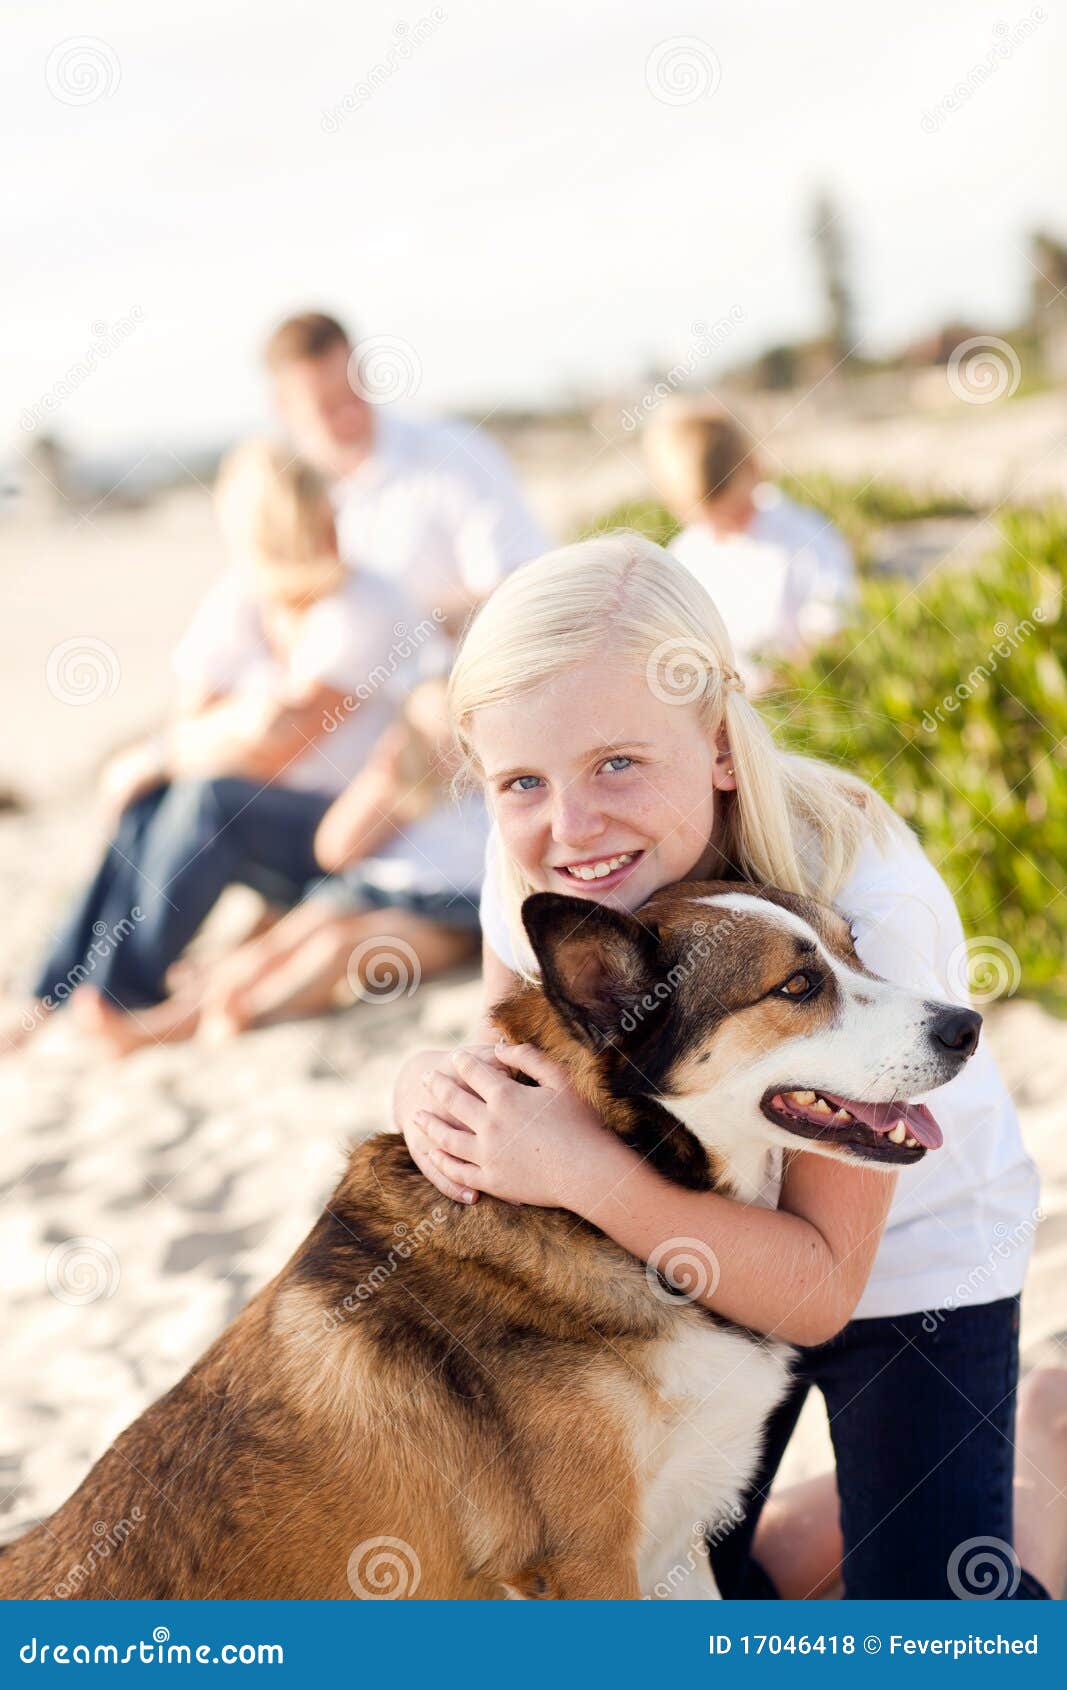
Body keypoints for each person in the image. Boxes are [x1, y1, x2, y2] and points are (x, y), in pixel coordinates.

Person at [391, 533, 1052, 1600]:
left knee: (930, 1625)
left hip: (892, 1266)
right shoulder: (543, 866)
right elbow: (510, 1063)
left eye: (616, 761)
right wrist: (426, 1082)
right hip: (672, 1238)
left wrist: (588, 1177)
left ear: (713, 743)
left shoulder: (861, 891)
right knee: (693, 1582)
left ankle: (1042, 1465)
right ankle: (832, 1517)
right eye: (520, 779)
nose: (573, 825)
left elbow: (818, 1284)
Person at [10, 441, 436, 1050]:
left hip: (351, 833)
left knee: (208, 798)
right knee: (151, 797)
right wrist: (187, 748)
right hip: (271, 819)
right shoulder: (245, 599)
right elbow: (191, 717)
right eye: (311, 517)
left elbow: (280, 745)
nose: (330, 529)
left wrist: (187, 746)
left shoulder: (364, 602)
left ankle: (118, 991)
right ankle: (53, 991)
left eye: (328, 512)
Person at [114, 679, 485, 1045]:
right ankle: (168, 1023)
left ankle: (252, 1014)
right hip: (374, 889)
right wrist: (386, 776)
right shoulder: (407, 790)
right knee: (276, 945)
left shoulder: (497, 792)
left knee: (337, 948)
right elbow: (337, 849)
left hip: (450, 914)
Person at [263, 310, 550, 633]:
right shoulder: (282, 499)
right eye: (327, 406)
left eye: (353, 391)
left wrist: (392, 635)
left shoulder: (455, 454)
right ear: (282, 407)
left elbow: (519, 594)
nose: (348, 413)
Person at [645, 404, 857, 688]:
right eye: (711, 521)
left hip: (794, 699)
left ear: (754, 468)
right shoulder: (686, 554)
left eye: (734, 512)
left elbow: (833, 630)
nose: (724, 527)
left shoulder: (806, 536)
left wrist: (785, 680)